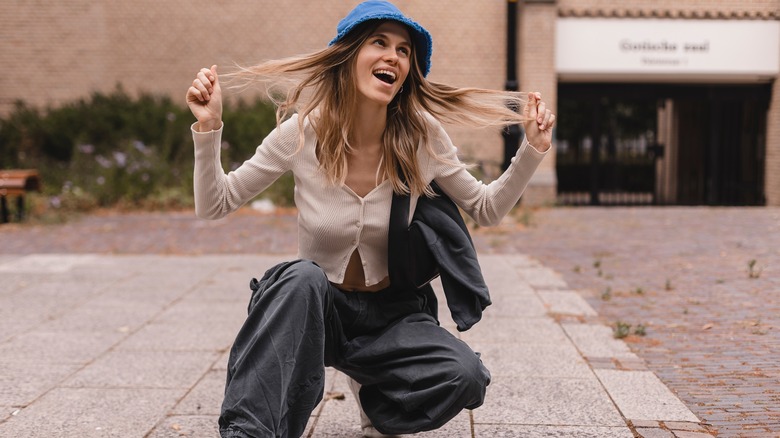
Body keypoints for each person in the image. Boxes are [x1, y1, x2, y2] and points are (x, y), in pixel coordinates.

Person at [186, 1, 555, 437]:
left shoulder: (421, 136)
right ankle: (247, 432)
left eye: (403, 51)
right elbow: (216, 203)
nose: (393, 57)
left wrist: (532, 150)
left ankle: (379, 400)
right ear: (348, 54)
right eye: (379, 42)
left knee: (465, 375)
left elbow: (487, 208)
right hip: (319, 313)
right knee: (299, 277)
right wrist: (209, 128)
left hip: (392, 318)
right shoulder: (301, 133)